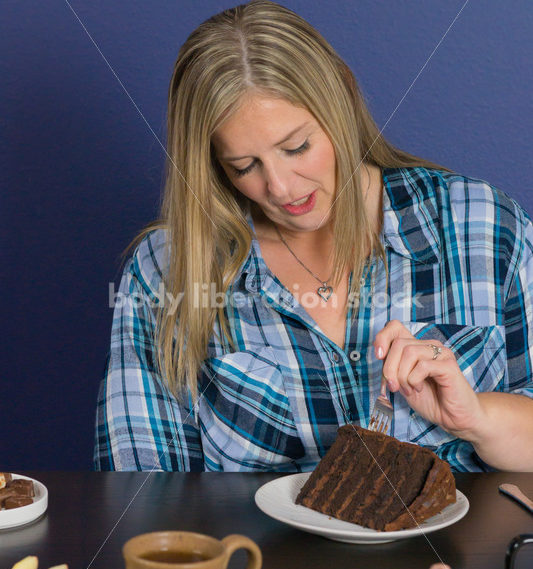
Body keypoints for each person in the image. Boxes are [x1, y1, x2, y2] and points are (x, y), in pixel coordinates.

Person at [94, 0, 533, 472]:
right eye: (243, 166)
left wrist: (477, 419)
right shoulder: (164, 269)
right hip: (255, 549)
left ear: (341, 96)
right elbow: (141, 493)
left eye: (296, 146)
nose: (280, 188)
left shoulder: (483, 224)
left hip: (461, 548)